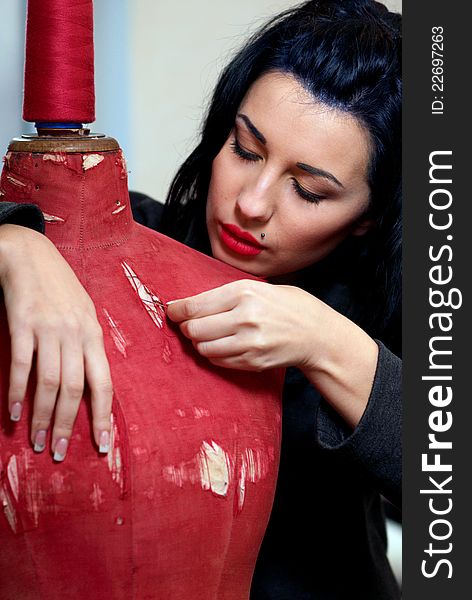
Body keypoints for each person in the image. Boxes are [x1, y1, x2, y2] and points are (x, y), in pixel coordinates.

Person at [0, 0, 402, 598]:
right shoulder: (116, 234)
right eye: (244, 150)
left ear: (368, 218)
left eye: (309, 191)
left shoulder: (382, 310)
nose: (253, 203)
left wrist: (325, 339)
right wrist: (14, 240)